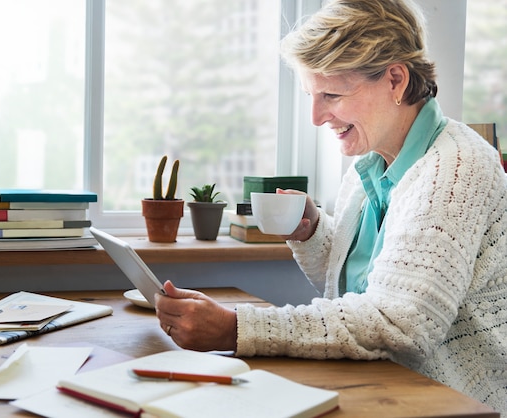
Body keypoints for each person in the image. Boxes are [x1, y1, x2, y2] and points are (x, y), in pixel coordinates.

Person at [154, 0, 507, 413]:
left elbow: (398, 325)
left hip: (449, 403)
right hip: (380, 387)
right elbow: (358, 289)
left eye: (332, 95)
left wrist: (236, 328)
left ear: (395, 79)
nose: (316, 117)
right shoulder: (367, 167)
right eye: (310, 95)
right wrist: (312, 231)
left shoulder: (456, 168)